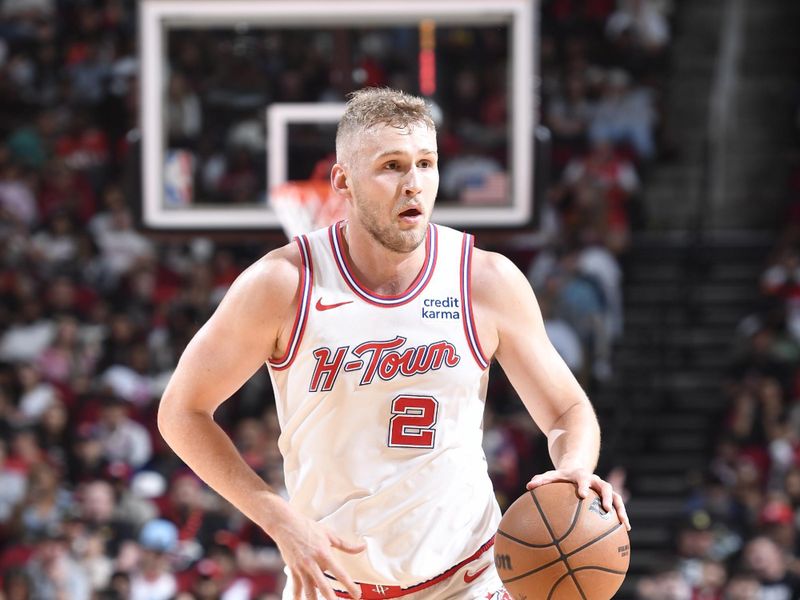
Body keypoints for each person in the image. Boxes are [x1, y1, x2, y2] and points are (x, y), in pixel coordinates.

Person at [158, 87, 630, 600]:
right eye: (391, 166)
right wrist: (276, 517)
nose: (413, 185)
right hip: (335, 585)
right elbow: (182, 411)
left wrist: (575, 467)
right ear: (343, 180)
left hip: (469, 578)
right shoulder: (281, 284)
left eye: (426, 164)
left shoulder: (484, 279)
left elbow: (566, 409)